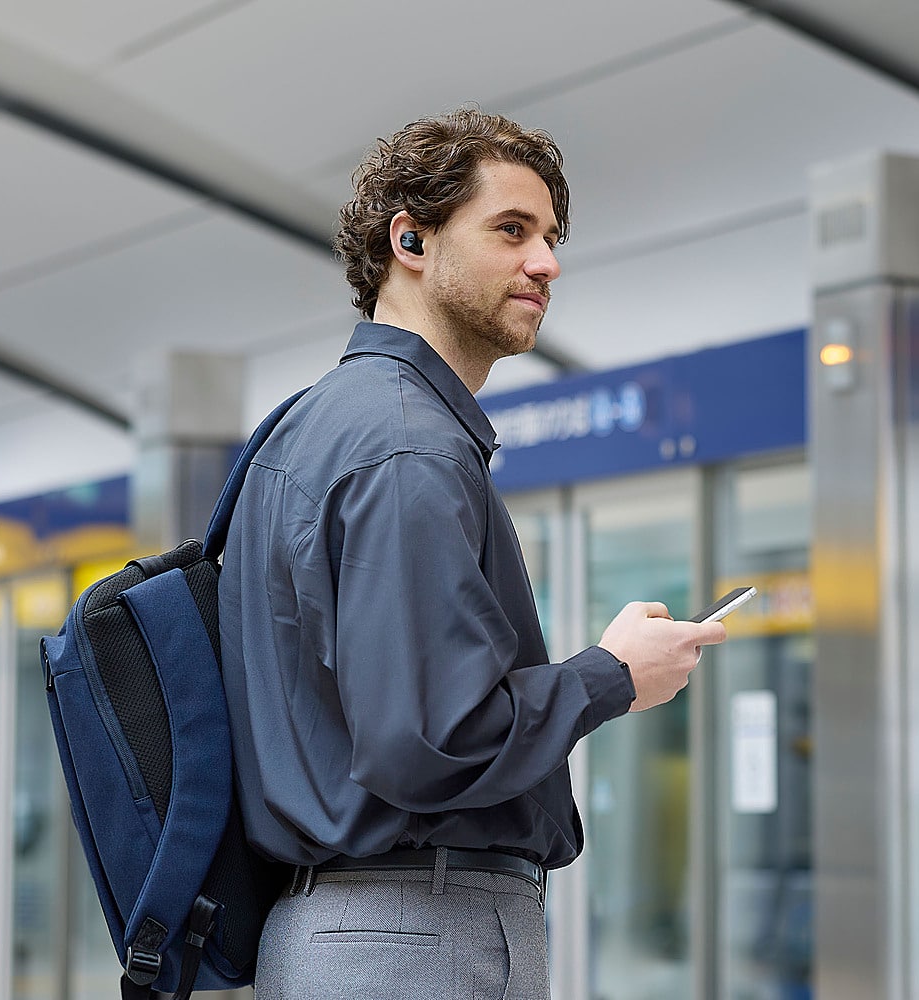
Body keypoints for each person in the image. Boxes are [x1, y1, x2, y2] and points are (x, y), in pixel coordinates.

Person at [218, 106, 727, 1000]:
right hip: (415, 935)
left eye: (551, 238)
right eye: (511, 230)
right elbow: (429, 738)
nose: (547, 263)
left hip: (354, 928)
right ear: (409, 240)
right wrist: (613, 674)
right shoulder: (409, 445)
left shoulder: (309, 427)